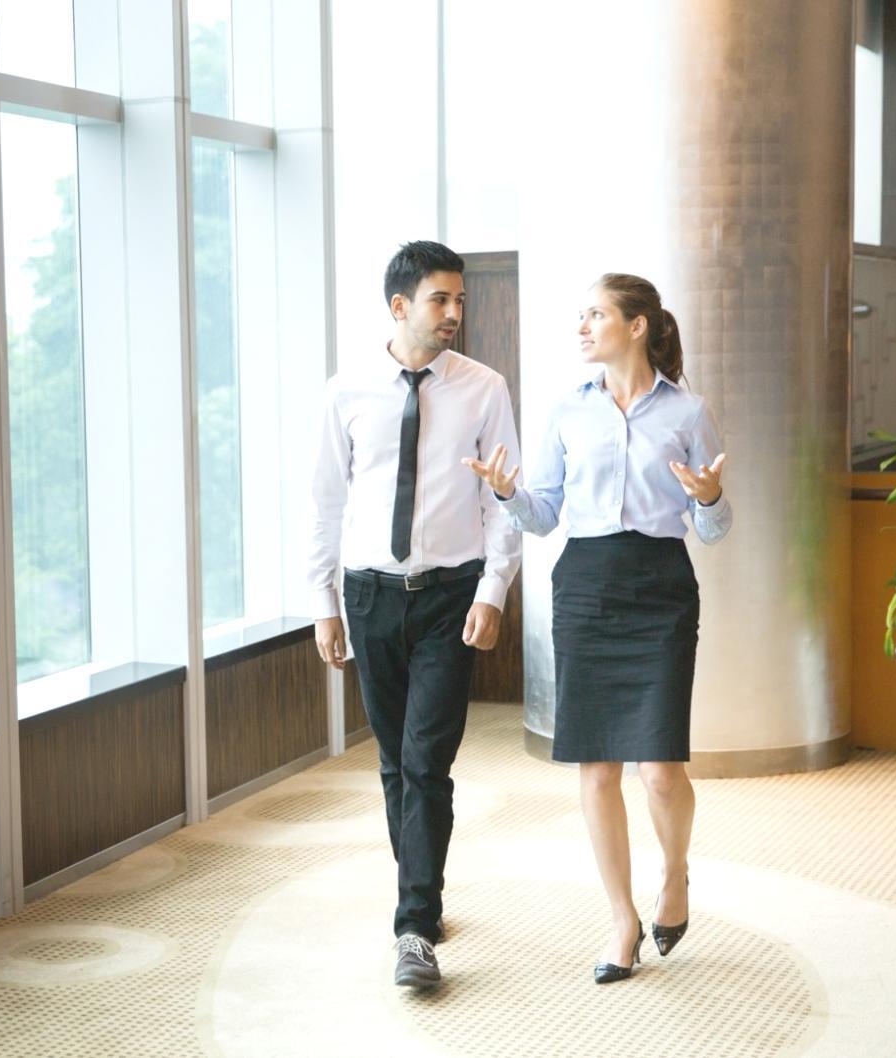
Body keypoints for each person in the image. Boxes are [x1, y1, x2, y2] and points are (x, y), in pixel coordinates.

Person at [464, 272, 730, 984]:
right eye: (581, 316)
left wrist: (710, 498)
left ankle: (674, 877)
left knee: (662, 772)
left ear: (637, 325)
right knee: (597, 766)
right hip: (585, 588)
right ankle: (621, 918)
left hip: (660, 589)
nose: (582, 328)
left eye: (596, 315)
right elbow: (545, 515)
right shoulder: (566, 412)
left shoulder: (688, 412)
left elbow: (712, 528)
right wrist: (508, 493)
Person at [308, 240, 522, 989]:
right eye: (441, 299)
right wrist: (323, 604)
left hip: (449, 597)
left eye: (461, 300)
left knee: (428, 762)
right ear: (400, 306)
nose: (456, 313)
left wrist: (494, 591)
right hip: (367, 596)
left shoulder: (484, 389)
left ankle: (413, 926)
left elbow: (506, 503)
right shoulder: (347, 392)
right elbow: (325, 504)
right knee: (396, 762)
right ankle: (421, 898)